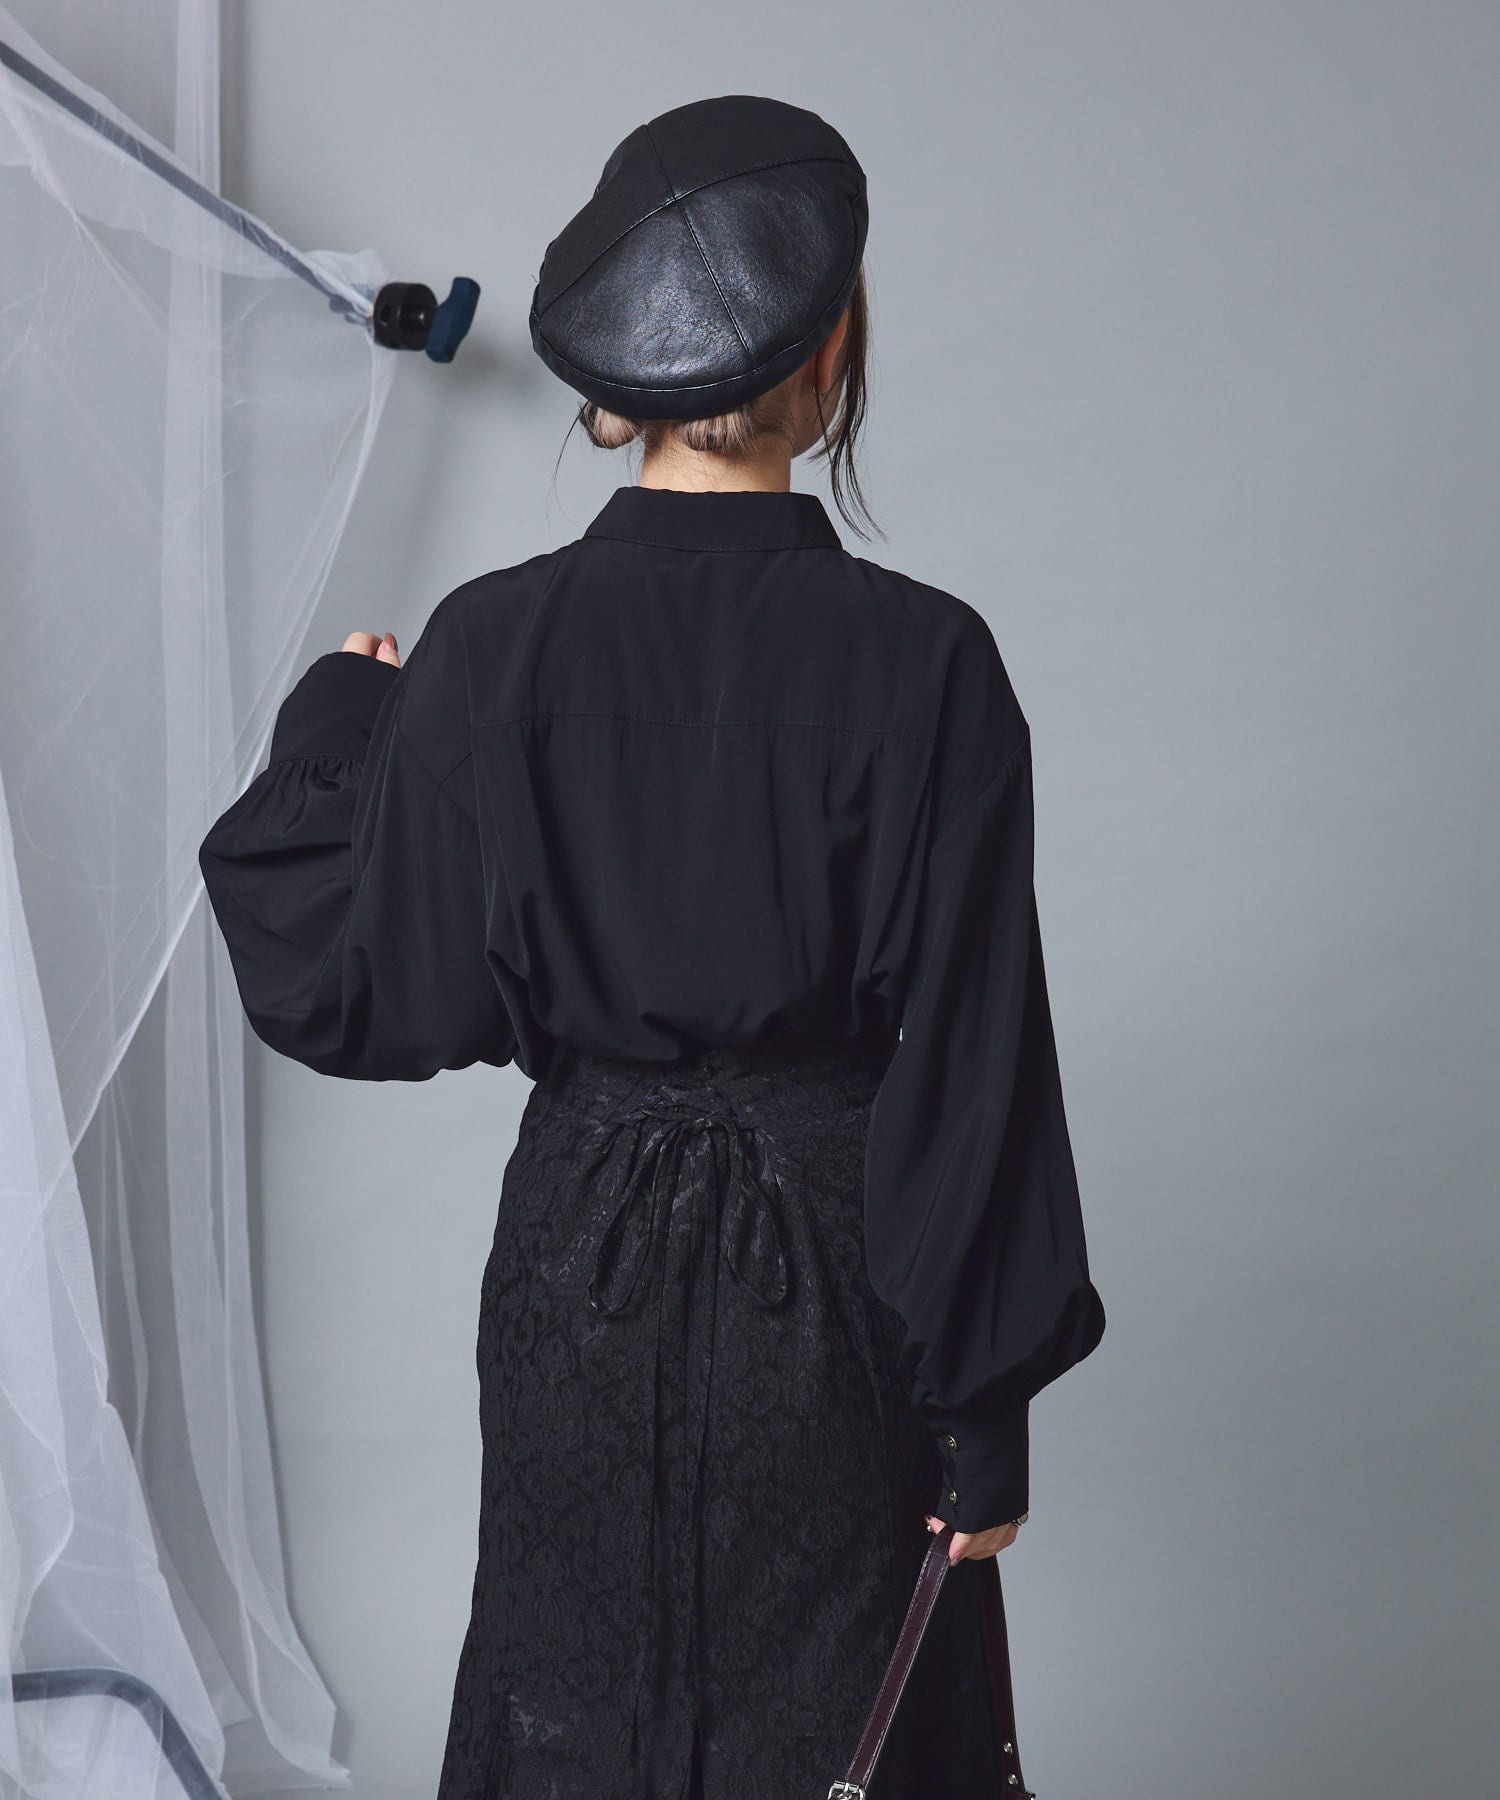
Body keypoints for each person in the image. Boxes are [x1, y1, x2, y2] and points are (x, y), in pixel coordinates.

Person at [199, 93, 1106, 1800]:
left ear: (616, 392)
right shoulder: (930, 664)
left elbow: (355, 988)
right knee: (831, 1716)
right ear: (832, 350)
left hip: (576, 1266)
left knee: (575, 1701)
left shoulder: (491, 649)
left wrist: (338, 725)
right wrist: (984, 1417)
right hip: (836, 1281)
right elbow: (972, 1063)